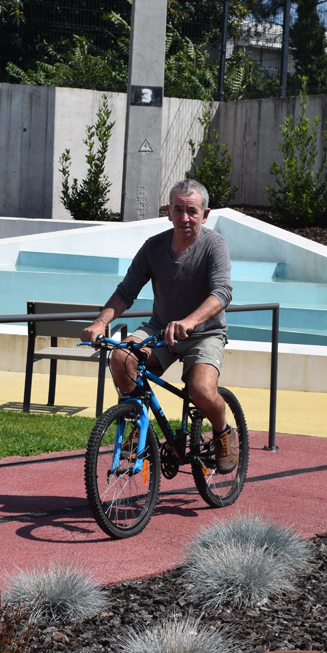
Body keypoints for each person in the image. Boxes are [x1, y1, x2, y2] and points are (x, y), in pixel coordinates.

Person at [80, 179, 236, 472]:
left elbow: (222, 292)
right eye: (178, 210)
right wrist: (100, 323)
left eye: (192, 211)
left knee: (201, 391)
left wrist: (189, 321)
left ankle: (223, 431)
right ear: (168, 212)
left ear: (205, 214)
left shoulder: (215, 245)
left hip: (205, 334)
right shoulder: (153, 247)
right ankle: (137, 425)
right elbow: (126, 291)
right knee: (121, 357)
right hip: (160, 330)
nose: (184, 217)